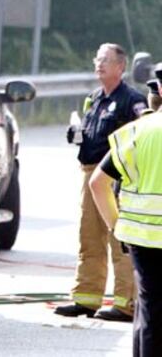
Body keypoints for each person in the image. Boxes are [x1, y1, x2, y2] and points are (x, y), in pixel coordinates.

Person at [57, 43, 146, 321]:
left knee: (118, 239)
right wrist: (76, 135)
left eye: (106, 60)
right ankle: (86, 298)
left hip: (115, 177)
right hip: (89, 174)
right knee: (89, 238)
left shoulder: (132, 100)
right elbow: (88, 130)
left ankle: (124, 303)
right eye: (97, 58)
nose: (99, 64)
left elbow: (142, 135)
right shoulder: (94, 99)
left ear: (121, 66)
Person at [89, 79, 162, 356]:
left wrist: (117, 226)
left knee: (149, 309)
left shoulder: (136, 131)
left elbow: (98, 183)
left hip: (141, 240)